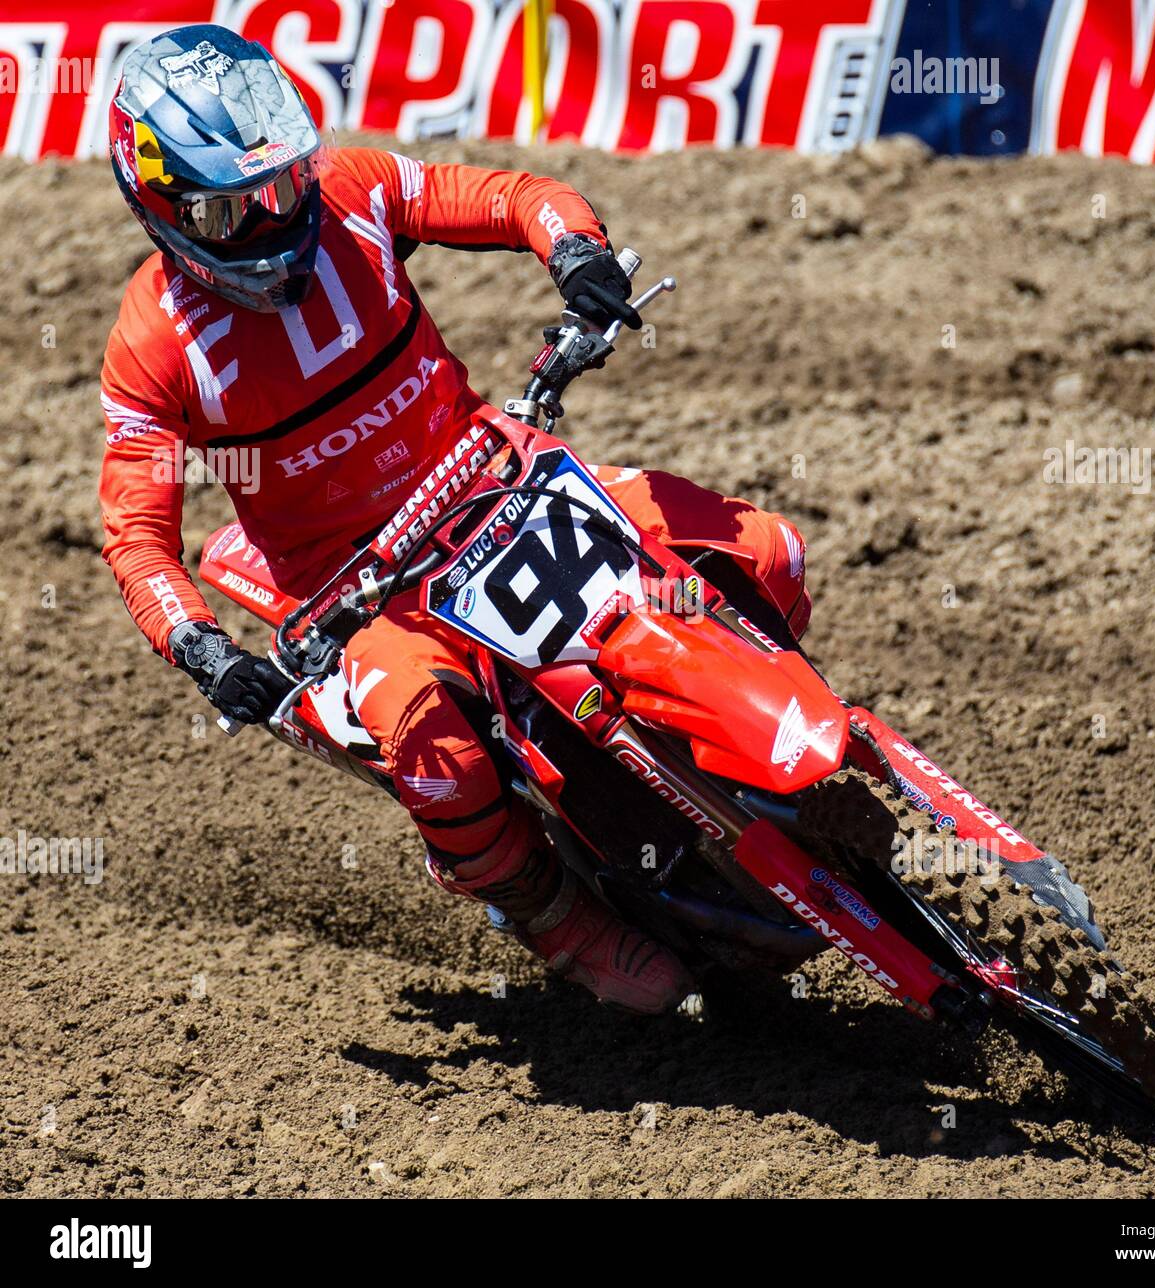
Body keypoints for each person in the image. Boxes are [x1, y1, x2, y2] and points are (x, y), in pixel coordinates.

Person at [100, 24, 811, 1015]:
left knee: (765, 554)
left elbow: (514, 196)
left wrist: (578, 256)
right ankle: (553, 915)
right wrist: (208, 652)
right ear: (162, 209)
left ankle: (742, 763)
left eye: (281, 184)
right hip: (355, 587)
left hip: (495, 475)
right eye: (232, 208)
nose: (272, 219)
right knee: (446, 769)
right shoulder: (152, 344)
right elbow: (135, 534)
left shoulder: (349, 189)